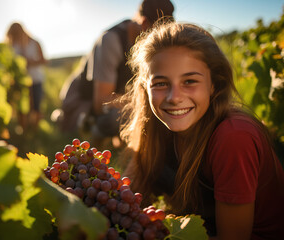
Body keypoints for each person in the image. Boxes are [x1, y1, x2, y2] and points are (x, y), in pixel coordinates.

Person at [119, 21, 284, 239]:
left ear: (214, 83)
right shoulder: (158, 128)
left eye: (189, 81)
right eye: (160, 83)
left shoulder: (234, 137)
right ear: (145, 88)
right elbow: (124, 202)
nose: (174, 98)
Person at [57, 0, 174, 148]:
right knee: (136, 112)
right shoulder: (111, 40)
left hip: (108, 99)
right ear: (144, 24)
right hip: (81, 102)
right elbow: (101, 102)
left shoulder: (141, 40)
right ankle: (95, 131)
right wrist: (146, 100)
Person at [6, 22, 47, 132]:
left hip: (35, 79)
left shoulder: (34, 43)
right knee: (22, 107)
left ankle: (35, 131)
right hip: (19, 81)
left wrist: (29, 62)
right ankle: (23, 130)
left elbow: (44, 60)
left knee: (36, 106)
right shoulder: (12, 45)